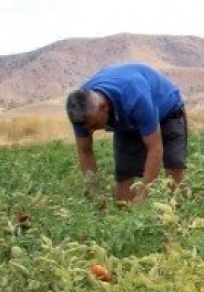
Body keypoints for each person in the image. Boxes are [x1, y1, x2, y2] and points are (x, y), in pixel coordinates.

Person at [65, 62, 187, 204]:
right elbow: (85, 152)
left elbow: (155, 148)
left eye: (95, 125)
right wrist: (96, 194)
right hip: (126, 120)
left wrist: (142, 194)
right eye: (87, 128)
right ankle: (125, 218)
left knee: (174, 170)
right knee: (124, 179)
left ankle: (179, 213)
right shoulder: (80, 110)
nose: (90, 131)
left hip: (168, 110)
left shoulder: (135, 96)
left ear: (103, 107)